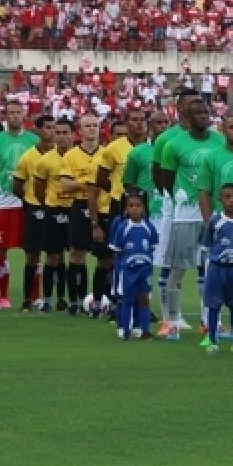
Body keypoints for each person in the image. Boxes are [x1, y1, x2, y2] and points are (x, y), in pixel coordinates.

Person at [161, 99, 224, 338]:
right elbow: (166, 180)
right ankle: (171, 320)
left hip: (214, 214)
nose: (202, 116)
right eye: (197, 112)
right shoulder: (174, 144)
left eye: (205, 112)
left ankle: (211, 321)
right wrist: (183, 200)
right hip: (185, 215)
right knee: (178, 268)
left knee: (212, 269)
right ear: (186, 116)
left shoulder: (220, 141)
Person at [196, 112, 233, 345]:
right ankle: (212, 331)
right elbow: (203, 192)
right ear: (224, 130)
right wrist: (210, 222)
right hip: (222, 229)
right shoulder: (212, 157)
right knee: (214, 282)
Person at [0, 100, 39, 309]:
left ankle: (35, 297)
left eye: (18, 112)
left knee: (32, 251)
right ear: (5, 116)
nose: (15, 116)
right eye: (11, 112)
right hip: (3, 202)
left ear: (23, 114)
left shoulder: (34, 140)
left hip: (28, 202)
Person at [122, 111, 171, 332]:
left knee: (169, 264)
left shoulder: (172, 149)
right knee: (143, 264)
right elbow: (129, 184)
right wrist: (137, 211)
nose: (162, 126)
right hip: (147, 217)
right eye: (158, 122)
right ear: (150, 126)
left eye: (165, 122)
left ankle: (169, 314)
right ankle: (142, 309)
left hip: (169, 214)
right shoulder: (138, 152)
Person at [87, 118, 133, 319]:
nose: (121, 138)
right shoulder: (102, 158)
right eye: (118, 134)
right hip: (107, 213)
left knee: (127, 260)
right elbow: (92, 193)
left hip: (127, 211)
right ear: (111, 136)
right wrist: (95, 223)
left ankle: (119, 303)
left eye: (124, 134)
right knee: (105, 260)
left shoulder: (135, 154)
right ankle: (98, 302)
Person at [201, 183, 233, 354]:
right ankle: (212, 340)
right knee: (214, 306)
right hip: (217, 269)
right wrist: (208, 270)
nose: (231, 200)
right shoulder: (215, 221)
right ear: (220, 199)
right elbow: (207, 247)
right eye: (227, 197)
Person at [12, 115, 55, 312]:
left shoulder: (62, 154)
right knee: (32, 256)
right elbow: (17, 185)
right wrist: (30, 201)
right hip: (34, 208)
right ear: (37, 130)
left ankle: (50, 298)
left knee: (55, 255)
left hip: (56, 208)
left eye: (53, 128)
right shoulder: (28, 156)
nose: (51, 132)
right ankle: (27, 299)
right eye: (47, 127)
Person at [60, 113, 101, 315]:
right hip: (79, 206)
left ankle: (101, 300)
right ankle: (76, 300)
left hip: (102, 207)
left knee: (105, 256)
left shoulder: (106, 153)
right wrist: (87, 184)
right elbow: (65, 184)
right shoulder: (71, 155)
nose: (91, 128)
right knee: (77, 254)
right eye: (87, 125)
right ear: (80, 130)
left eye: (95, 125)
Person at [33, 118, 74, 313]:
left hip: (75, 210)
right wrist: (48, 204)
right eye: (58, 133)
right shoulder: (45, 161)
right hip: (53, 210)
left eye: (66, 133)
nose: (62, 137)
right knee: (53, 257)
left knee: (75, 256)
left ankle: (70, 299)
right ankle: (48, 299)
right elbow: (39, 188)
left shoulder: (79, 157)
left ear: (73, 135)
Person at [109, 188, 159, 340]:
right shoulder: (123, 227)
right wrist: (117, 270)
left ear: (143, 208)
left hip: (144, 270)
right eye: (131, 206)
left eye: (138, 205)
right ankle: (125, 330)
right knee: (127, 299)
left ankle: (145, 330)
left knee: (143, 299)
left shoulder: (149, 227)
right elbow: (117, 251)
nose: (134, 209)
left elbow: (152, 247)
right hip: (128, 271)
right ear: (126, 209)